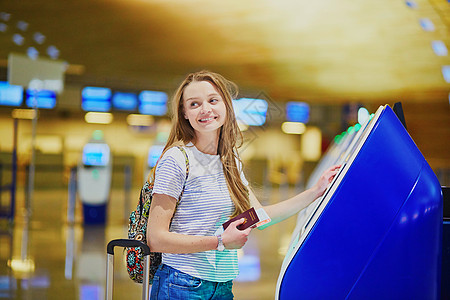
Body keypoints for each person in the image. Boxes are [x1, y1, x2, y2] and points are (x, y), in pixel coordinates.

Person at [147, 70, 340, 299]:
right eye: (194, 104)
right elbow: (156, 238)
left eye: (213, 100)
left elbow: (258, 216)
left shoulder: (230, 161)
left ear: (226, 107)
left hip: (222, 286)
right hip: (181, 284)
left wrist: (316, 191)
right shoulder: (177, 159)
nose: (205, 109)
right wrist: (219, 241)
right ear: (185, 113)